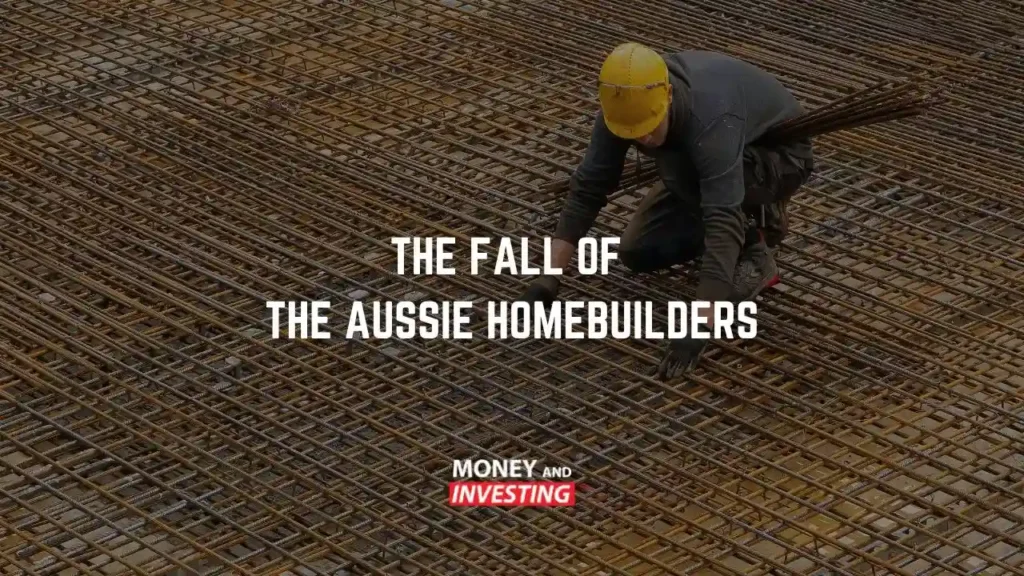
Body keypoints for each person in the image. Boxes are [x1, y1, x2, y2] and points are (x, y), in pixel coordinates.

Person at [518, 42, 815, 379]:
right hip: (698, 164)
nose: (642, 138)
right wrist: (548, 278)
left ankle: (755, 246)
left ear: (669, 96)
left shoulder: (710, 117)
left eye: (649, 126)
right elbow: (589, 187)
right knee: (639, 252)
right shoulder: (622, 108)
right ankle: (726, 215)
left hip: (777, 157)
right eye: (634, 132)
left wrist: (703, 323)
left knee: (681, 168)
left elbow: (721, 215)